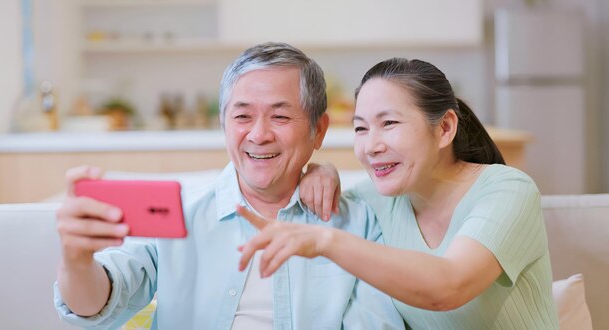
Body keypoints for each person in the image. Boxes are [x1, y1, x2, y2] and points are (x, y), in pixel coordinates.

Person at [53, 42, 403, 329]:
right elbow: (93, 308)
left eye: (280, 116)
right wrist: (77, 260)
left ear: (319, 130)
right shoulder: (177, 212)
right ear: (223, 125)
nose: (259, 134)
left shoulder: (358, 224)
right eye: (242, 116)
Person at [238, 57, 560, 328]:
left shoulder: (508, 191)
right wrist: (321, 171)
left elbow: (449, 286)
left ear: (445, 128)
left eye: (389, 123)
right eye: (361, 128)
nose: (371, 147)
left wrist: (325, 241)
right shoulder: (375, 203)